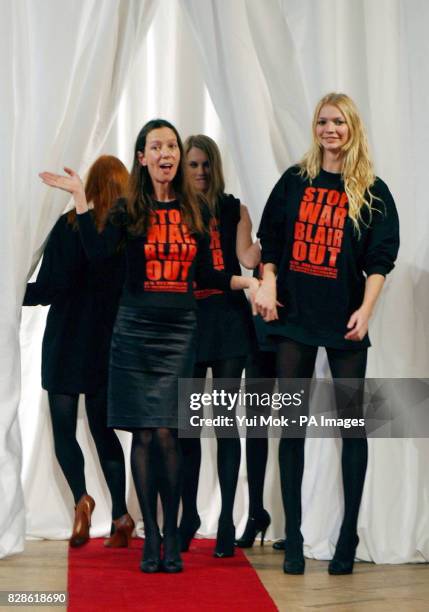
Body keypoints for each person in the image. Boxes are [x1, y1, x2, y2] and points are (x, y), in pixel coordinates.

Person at [39, 120, 259, 573]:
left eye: (171, 145)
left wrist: (249, 283)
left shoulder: (194, 210)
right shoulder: (128, 209)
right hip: (134, 331)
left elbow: (208, 275)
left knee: (170, 435)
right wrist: (81, 199)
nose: (166, 152)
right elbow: (99, 255)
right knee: (143, 433)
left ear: (177, 157)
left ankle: (172, 535)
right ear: (142, 157)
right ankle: (152, 537)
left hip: (180, 332)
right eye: (155, 145)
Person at [255, 93, 399, 575]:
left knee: (352, 427)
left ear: (352, 127)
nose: (329, 129)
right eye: (322, 121)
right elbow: (269, 241)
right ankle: (292, 535)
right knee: (290, 427)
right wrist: (270, 281)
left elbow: (380, 259)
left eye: (338, 121)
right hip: (294, 317)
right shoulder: (296, 181)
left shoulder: (372, 192)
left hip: (343, 319)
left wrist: (366, 310)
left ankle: (347, 536)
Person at [24, 155, 134, 548]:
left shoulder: (69, 226)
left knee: (64, 431)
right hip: (107, 343)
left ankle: (81, 499)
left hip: (66, 339)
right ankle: (121, 514)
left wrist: (12, 293)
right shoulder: (128, 231)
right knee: (106, 435)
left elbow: (49, 287)